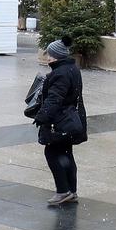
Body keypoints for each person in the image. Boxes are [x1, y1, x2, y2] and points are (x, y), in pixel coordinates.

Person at [32, 39, 84, 206]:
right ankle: (72, 191)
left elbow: (55, 98)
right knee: (66, 154)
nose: (48, 57)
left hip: (60, 120)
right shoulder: (72, 69)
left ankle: (63, 191)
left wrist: (42, 116)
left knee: (52, 153)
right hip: (70, 119)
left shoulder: (60, 73)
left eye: (50, 54)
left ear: (57, 56)